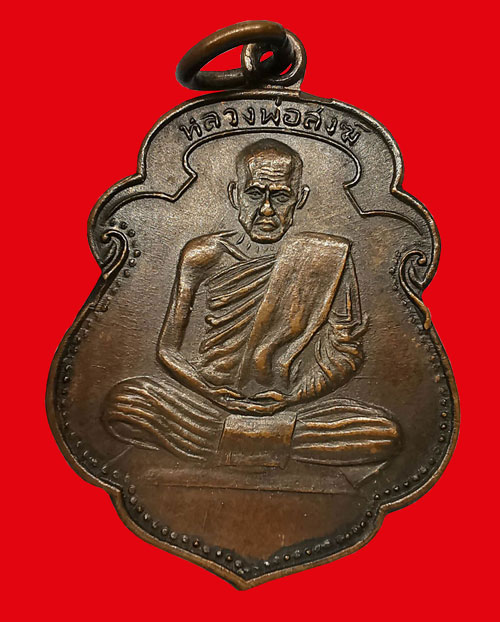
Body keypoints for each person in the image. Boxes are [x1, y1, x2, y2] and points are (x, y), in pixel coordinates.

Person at [103, 139, 400, 468]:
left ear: (299, 198)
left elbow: (345, 352)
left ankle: (232, 438)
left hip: (286, 407)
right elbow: (167, 350)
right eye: (255, 194)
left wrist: (290, 398)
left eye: (281, 196)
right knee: (125, 404)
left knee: (384, 434)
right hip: (209, 402)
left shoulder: (327, 256)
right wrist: (211, 393)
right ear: (235, 194)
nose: (267, 210)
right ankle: (266, 440)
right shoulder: (202, 255)